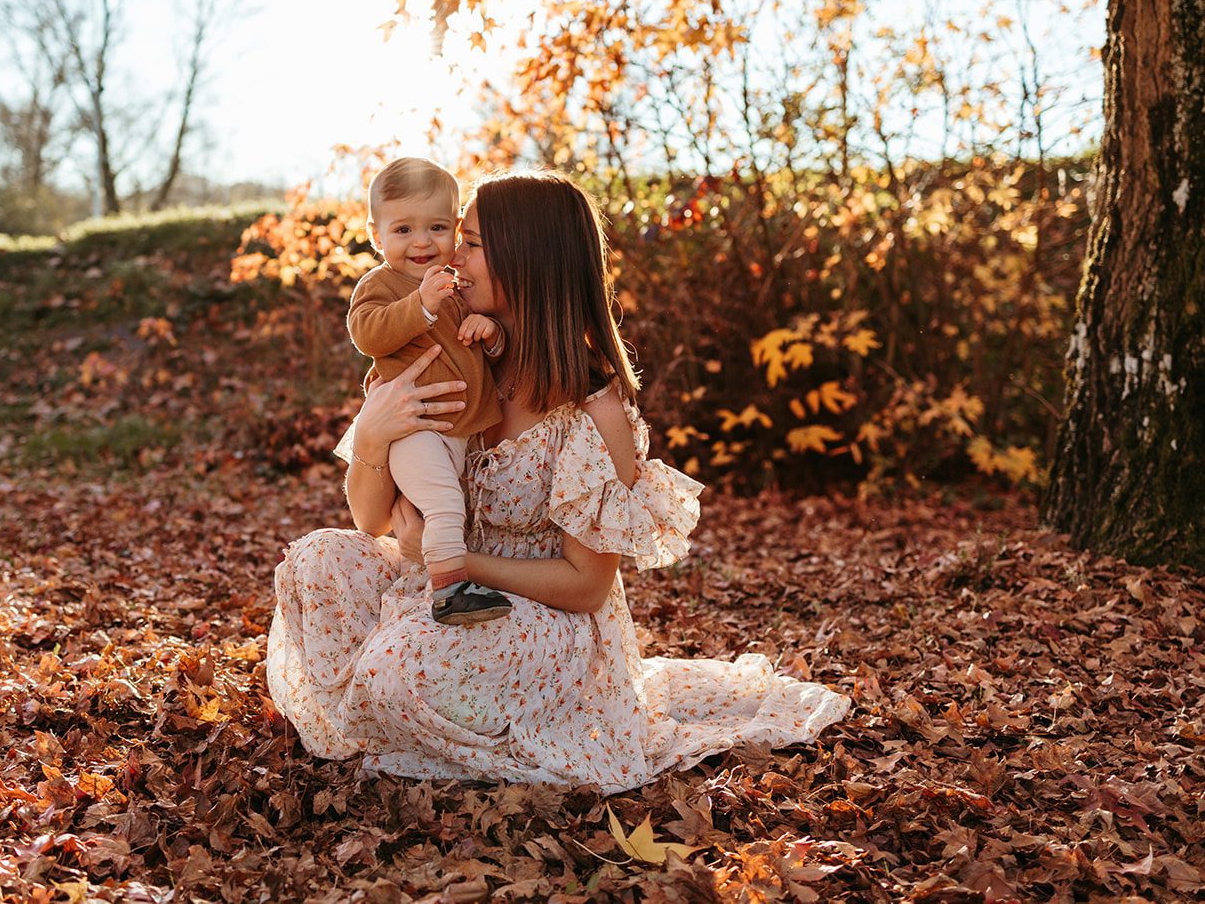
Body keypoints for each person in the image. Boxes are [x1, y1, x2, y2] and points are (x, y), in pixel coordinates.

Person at [268, 171, 850, 792]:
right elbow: (371, 521)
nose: (451, 256)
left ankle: (423, 700)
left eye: (470, 242)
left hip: (545, 621)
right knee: (317, 560)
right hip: (444, 590)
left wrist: (461, 560)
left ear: (526, 258)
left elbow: (586, 587)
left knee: (395, 666)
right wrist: (376, 435)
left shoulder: (593, 415)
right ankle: (410, 697)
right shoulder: (465, 365)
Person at [347, 158, 512, 625]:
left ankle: (428, 576)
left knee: (440, 506)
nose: (422, 242)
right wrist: (419, 305)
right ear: (377, 236)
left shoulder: (458, 285)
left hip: (457, 430)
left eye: (437, 227)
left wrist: (491, 333)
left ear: (456, 230)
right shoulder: (380, 284)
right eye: (403, 230)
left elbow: (480, 358)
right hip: (414, 429)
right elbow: (368, 333)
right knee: (444, 503)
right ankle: (450, 591)